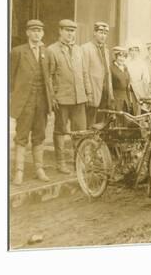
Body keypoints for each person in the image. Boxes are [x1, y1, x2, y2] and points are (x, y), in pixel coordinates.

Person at [10, 19, 55, 185]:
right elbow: (10, 79)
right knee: (21, 136)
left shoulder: (47, 52)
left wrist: (50, 100)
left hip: (41, 102)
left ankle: (39, 169)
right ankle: (19, 171)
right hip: (25, 102)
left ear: (42, 33)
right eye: (33, 30)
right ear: (27, 33)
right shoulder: (18, 52)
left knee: (39, 135)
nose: (37, 33)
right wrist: (15, 99)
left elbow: (48, 77)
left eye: (39, 30)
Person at [48, 19, 92, 174]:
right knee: (60, 130)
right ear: (60, 31)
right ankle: (60, 163)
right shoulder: (52, 50)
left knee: (80, 131)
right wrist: (52, 97)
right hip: (62, 98)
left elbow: (85, 72)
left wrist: (88, 93)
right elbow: (49, 76)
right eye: (67, 30)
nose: (70, 33)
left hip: (79, 98)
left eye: (72, 31)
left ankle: (79, 161)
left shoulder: (79, 50)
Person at [81, 22, 114, 126]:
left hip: (105, 94)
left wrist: (110, 94)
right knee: (90, 124)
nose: (103, 35)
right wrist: (88, 93)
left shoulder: (106, 50)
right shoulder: (86, 48)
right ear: (94, 33)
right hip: (93, 93)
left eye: (105, 33)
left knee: (102, 124)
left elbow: (107, 73)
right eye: (100, 32)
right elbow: (84, 72)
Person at [126, 42, 149, 114]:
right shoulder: (126, 63)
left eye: (136, 50)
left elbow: (146, 78)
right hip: (129, 90)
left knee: (139, 110)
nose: (134, 52)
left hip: (140, 90)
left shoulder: (142, 63)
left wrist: (139, 86)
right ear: (129, 52)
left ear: (139, 52)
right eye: (132, 50)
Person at [110, 47, 132, 113]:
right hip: (116, 99)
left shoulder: (125, 68)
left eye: (124, 57)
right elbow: (109, 86)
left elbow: (127, 86)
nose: (121, 59)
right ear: (115, 57)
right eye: (120, 56)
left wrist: (129, 100)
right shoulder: (111, 68)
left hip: (125, 100)